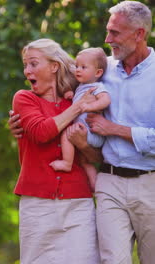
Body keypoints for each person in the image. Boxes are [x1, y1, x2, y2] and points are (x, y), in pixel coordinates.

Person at [9, 2, 155, 263]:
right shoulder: (97, 75)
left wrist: (111, 129)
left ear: (139, 34)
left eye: (115, 33)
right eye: (108, 31)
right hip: (98, 185)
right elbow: (46, 122)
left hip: (134, 185)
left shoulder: (133, 74)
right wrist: (20, 124)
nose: (108, 39)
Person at [12, 38, 99, 264]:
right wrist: (79, 107)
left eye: (33, 64)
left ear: (54, 66)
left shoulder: (81, 96)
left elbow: (96, 156)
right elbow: (41, 132)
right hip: (37, 205)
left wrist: (83, 144)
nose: (26, 71)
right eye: (25, 65)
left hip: (78, 203)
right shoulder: (24, 98)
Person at [50, 47, 110, 191]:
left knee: (66, 134)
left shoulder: (97, 86)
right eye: (77, 66)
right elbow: (79, 99)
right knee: (84, 162)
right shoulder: (82, 87)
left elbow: (105, 100)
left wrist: (90, 107)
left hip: (91, 132)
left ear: (98, 72)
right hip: (86, 132)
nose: (78, 70)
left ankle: (66, 163)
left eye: (83, 67)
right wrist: (71, 95)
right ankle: (95, 184)